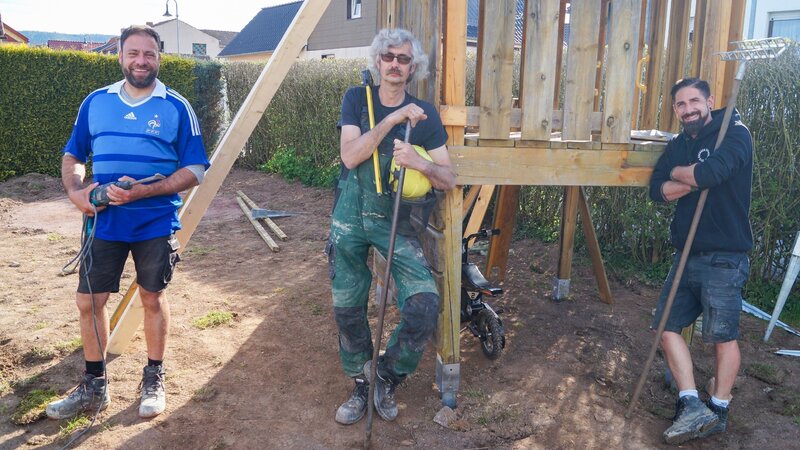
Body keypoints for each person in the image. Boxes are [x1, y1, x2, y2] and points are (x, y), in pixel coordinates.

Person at [47, 25, 209, 420]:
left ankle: (154, 376)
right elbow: (74, 156)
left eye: (149, 54)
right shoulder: (96, 102)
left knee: (152, 297)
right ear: (120, 55)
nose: (141, 61)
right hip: (103, 222)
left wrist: (142, 192)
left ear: (159, 58)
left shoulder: (176, 106)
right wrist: (75, 192)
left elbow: (195, 169)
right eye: (133, 53)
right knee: (89, 301)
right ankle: (94, 385)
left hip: (154, 221)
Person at [328, 28, 456, 425]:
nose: (395, 64)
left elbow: (449, 178)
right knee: (348, 307)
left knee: (423, 303)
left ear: (412, 66)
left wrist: (420, 163)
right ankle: (360, 382)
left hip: (395, 220)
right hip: (349, 218)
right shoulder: (356, 99)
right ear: (377, 62)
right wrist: (393, 119)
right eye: (388, 57)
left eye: (403, 59)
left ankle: (383, 376)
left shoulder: (426, 114)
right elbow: (350, 156)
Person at [648, 77, 753, 444]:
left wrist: (689, 175)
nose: (689, 109)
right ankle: (690, 403)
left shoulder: (735, 134)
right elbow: (656, 189)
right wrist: (690, 177)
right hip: (686, 253)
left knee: (721, 337)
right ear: (675, 109)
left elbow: (712, 173)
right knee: (666, 325)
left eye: (695, 101)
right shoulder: (679, 144)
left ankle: (719, 408)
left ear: (709, 101)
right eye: (681, 104)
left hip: (725, 255)